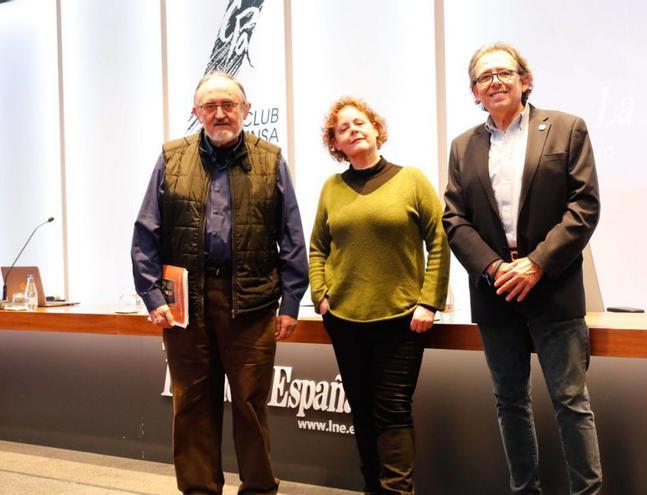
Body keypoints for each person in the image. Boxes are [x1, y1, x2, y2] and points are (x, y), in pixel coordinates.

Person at [131, 71, 308, 495]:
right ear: (196, 114)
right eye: (209, 106)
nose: (220, 113)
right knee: (191, 402)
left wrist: (290, 302)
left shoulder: (271, 159)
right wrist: (151, 293)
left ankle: (259, 488)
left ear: (246, 110)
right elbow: (146, 232)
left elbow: (292, 235)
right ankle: (199, 488)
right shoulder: (171, 158)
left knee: (249, 403)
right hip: (185, 302)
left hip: (252, 300)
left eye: (229, 104)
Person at [443, 42, 602, 495]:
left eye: (504, 73)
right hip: (496, 291)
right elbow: (454, 219)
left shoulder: (567, 129)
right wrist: (494, 268)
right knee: (509, 402)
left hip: (552, 286)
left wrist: (535, 264)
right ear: (475, 90)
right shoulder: (463, 146)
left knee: (571, 402)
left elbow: (584, 207)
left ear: (524, 80)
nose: (495, 81)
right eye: (484, 77)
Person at [309, 97, 450, 495]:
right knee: (363, 414)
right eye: (342, 129)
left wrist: (429, 302)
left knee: (392, 412)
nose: (352, 130)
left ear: (376, 129)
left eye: (360, 123)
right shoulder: (332, 189)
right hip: (345, 320)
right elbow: (317, 246)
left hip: (401, 320)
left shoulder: (412, 180)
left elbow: (440, 241)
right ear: (335, 143)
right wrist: (321, 294)